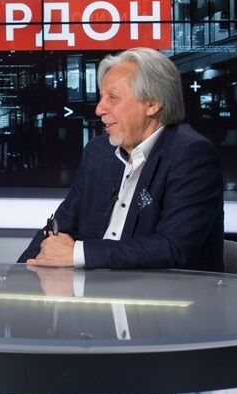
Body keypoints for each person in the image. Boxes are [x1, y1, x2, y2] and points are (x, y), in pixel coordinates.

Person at [19, 47, 224, 271]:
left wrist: (77, 253)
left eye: (113, 98)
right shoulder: (98, 152)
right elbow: (59, 228)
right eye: (101, 97)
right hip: (94, 288)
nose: (99, 109)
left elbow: (173, 248)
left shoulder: (191, 154)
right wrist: (19, 275)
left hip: (163, 290)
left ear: (152, 104)